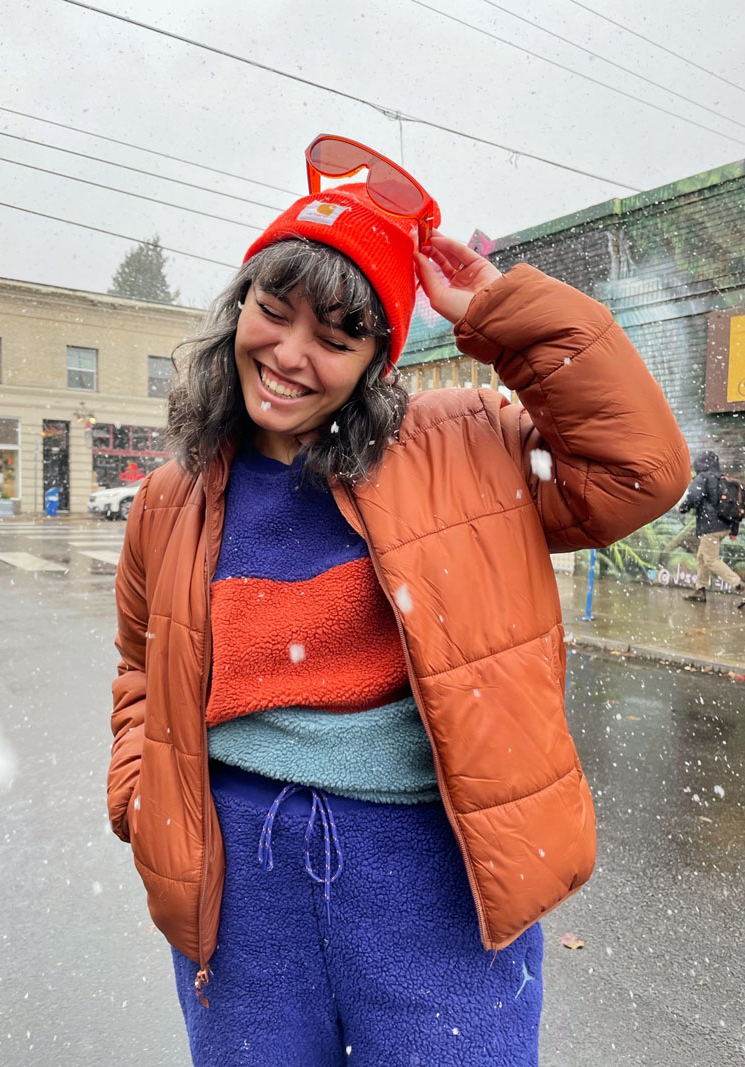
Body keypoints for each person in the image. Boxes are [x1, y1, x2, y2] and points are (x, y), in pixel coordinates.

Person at [107, 134, 689, 1067]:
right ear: (240, 307)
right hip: (239, 890)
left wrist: (498, 312)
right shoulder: (173, 498)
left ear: (379, 360)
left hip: (434, 883)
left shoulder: (467, 446)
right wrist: (143, 797)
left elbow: (642, 471)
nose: (291, 355)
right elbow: (140, 663)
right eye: (274, 310)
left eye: (336, 338)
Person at [679, 450, 744, 606]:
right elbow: (736, 505)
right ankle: (700, 590)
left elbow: (694, 496)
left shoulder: (704, 477)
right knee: (702, 557)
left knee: (711, 560)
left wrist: (683, 507)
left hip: (710, 527)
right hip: (723, 526)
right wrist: (733, 530)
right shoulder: (723, 479)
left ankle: (740, 586)